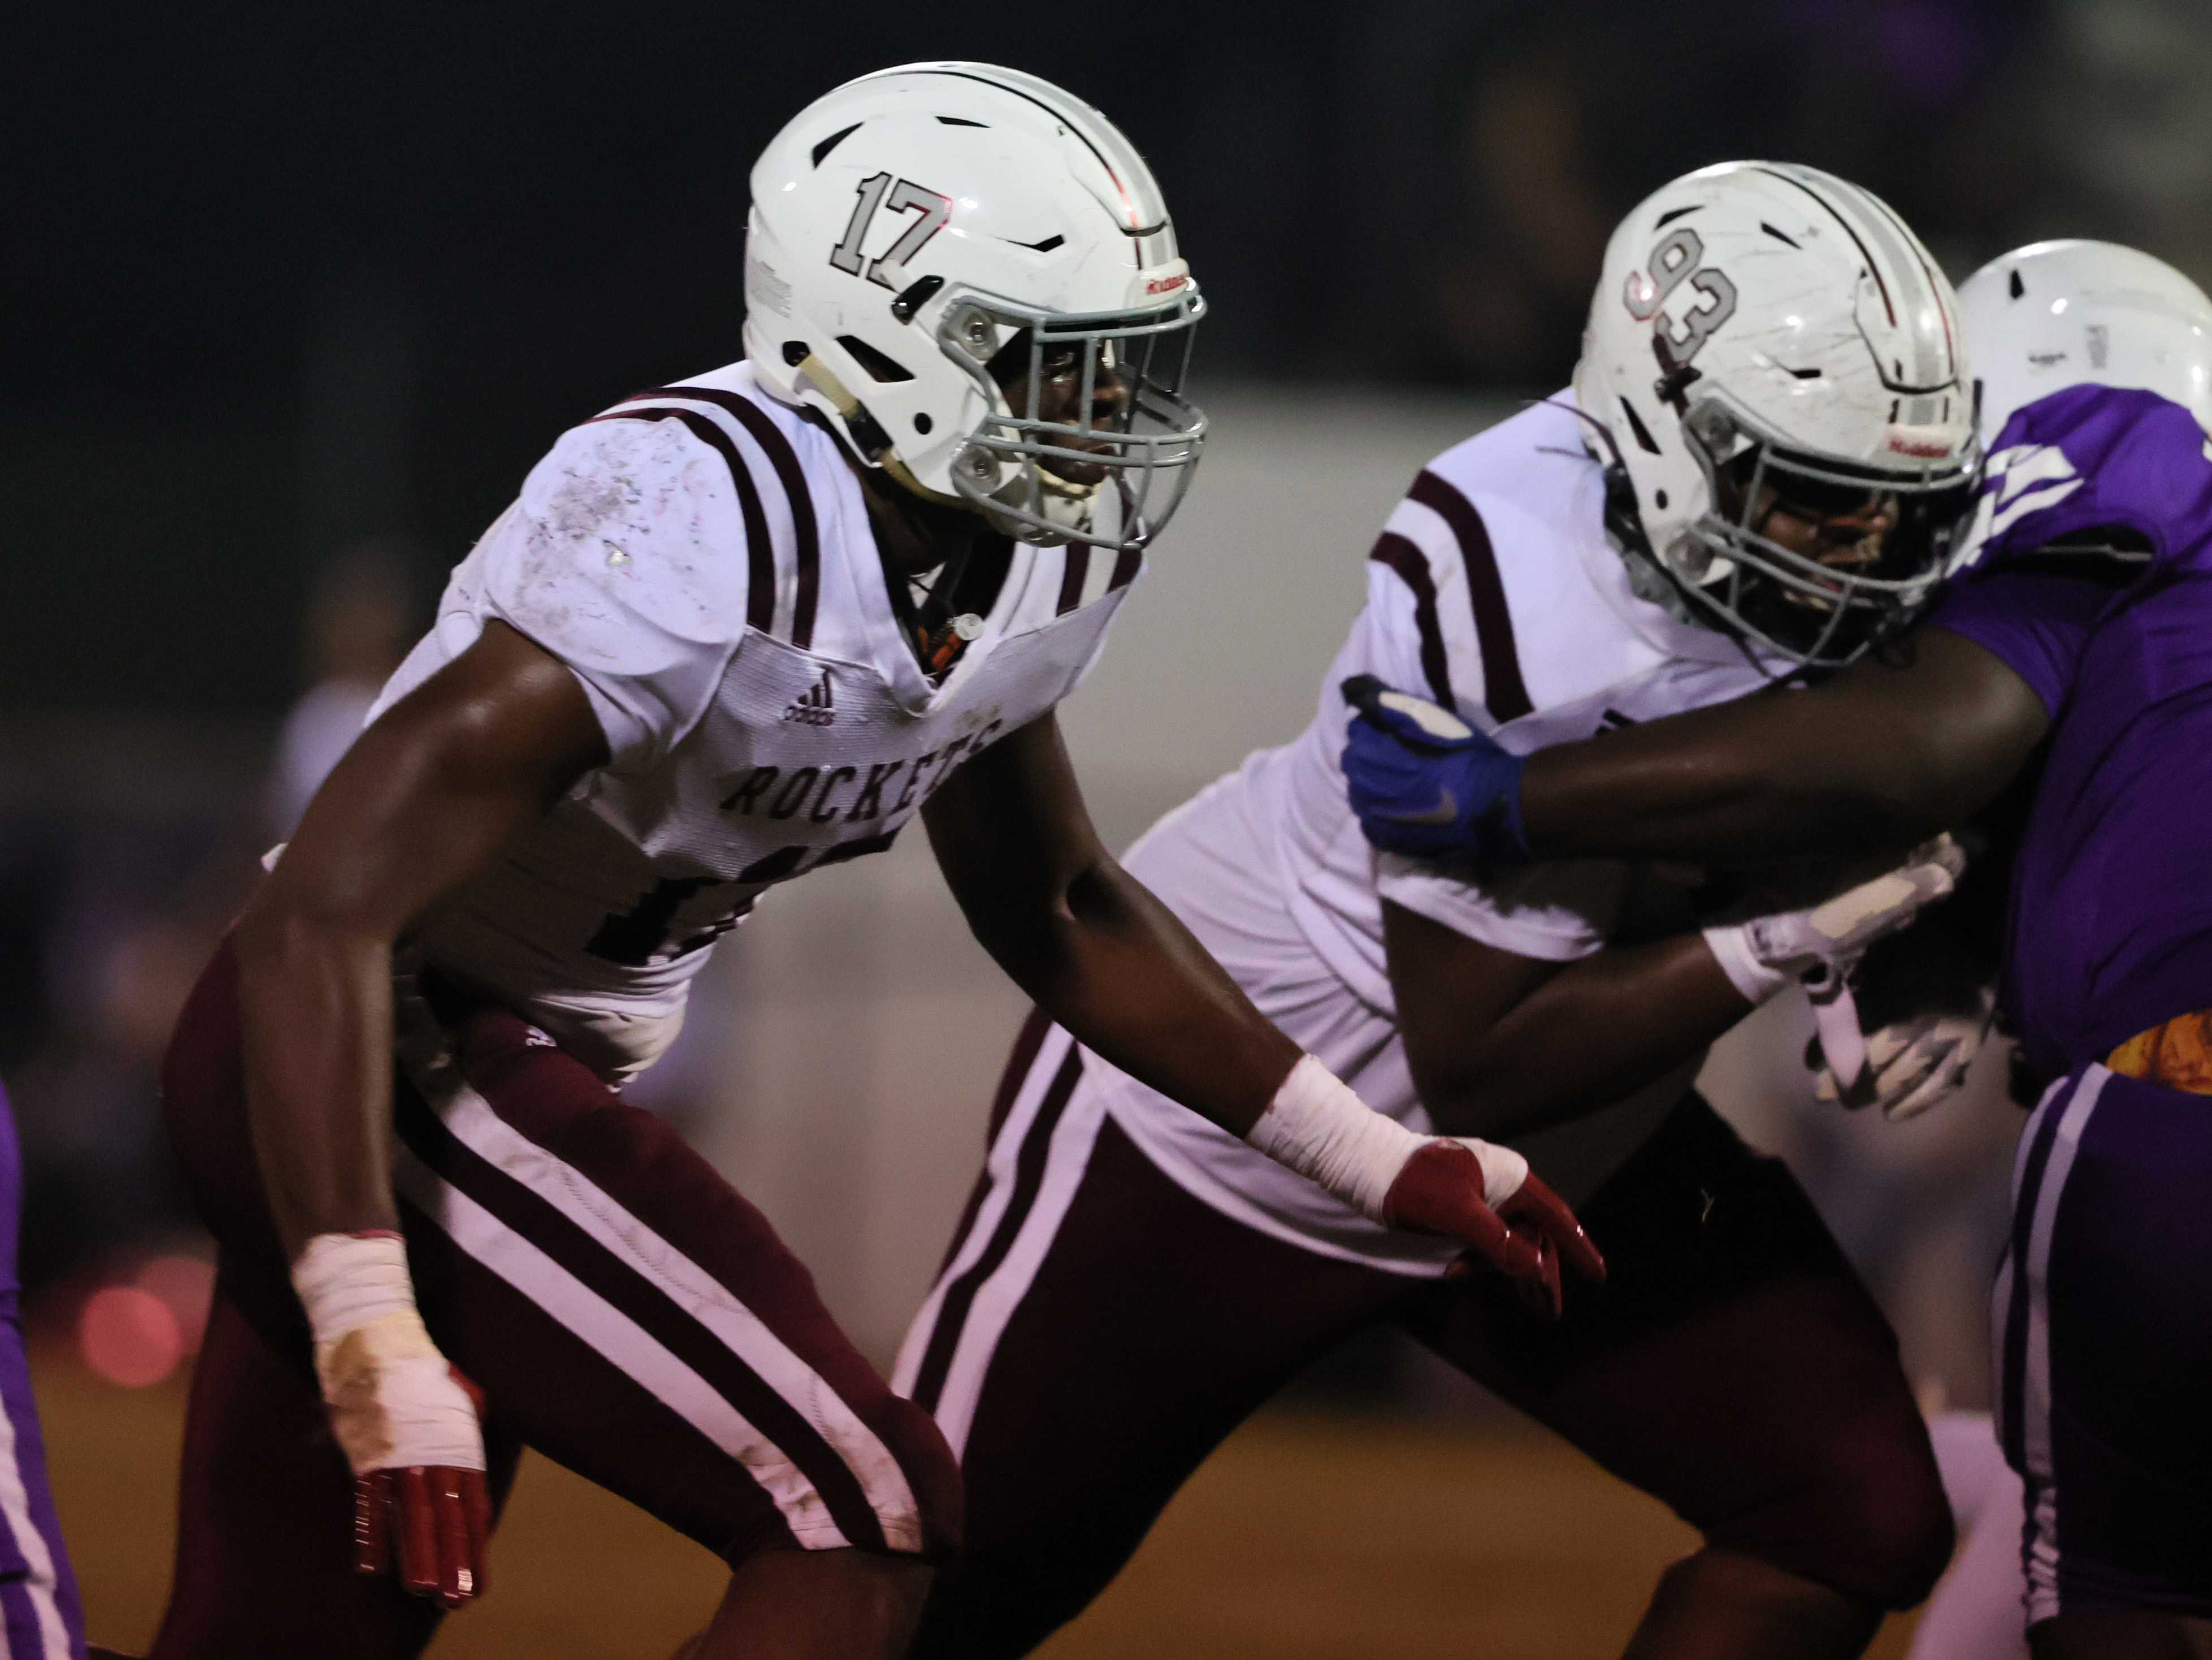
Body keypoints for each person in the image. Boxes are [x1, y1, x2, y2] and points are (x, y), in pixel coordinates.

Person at [144, 62, 1591, 1660]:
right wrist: (366, 1314)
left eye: (1122, 366)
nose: (1108, 414)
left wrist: (1372, 1154)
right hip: (367, 1055)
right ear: (890, 343)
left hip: (500, 1063)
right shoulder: (691, 529)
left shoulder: (1018, 551)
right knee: (854, 1500)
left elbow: (1059, 903)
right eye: (1061, 364)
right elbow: (315, 921)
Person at [897, 161, 1977, 1660]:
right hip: (1230, 1114)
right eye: (1814, 494)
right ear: (1664, 431)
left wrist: (1924, 939)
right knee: (920, 1590)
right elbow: (1482, 1060)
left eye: (1895, 505)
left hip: (1569, 1153)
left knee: (1851, 1509)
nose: (1865, 551)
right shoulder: (1516, 566)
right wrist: (1786, 938)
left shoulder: (1866, 560)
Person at [1341, 238, 2212, 1660]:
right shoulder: (2166, 617)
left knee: (2101, 1577)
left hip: (2172, 1112)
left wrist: (1516, 796)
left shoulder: (2112, 442)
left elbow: (1932, 740)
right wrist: (1969, 949)